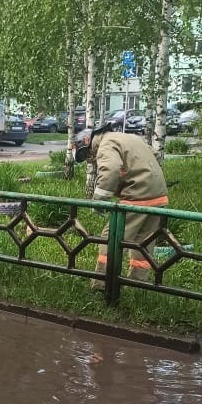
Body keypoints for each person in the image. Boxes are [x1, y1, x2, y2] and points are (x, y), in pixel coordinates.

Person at [73, 124, 168, 290]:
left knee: (110, 237)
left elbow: (111, 170)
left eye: (86, 153)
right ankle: (138, 283)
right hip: (158, 196)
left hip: (138, 195)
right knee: (143, 242)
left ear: (88, 141)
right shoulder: (126, 137)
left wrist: (100, 200)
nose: (90, 157)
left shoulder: (106, 144)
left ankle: (102, 283)